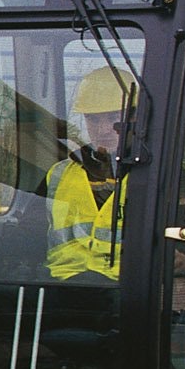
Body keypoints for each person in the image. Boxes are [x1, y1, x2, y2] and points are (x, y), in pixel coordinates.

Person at [48, 67, 131, 283]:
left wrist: (181, 258)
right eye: (93, 119)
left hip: (126, 290)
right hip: (64, 285)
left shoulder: (160, 174)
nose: (103, 129)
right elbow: (30, 230)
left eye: (113, 118)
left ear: (134, 118)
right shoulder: (59, 174)